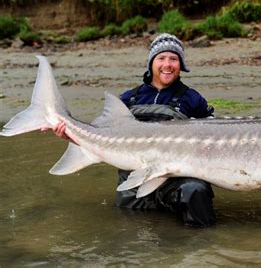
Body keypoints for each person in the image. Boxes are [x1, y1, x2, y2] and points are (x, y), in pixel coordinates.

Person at [51, 33, 216, 227]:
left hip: (177, 182)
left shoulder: (192, 98)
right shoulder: (130, 99)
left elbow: (214, 136)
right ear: (151, 63)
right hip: (135, 179)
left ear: (181, 65)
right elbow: (100, 137)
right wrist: (70, 135)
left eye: (174, 59)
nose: (167, 64)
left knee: (196, 191)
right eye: (161, 58)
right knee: (130, 229)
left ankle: (196, 246)